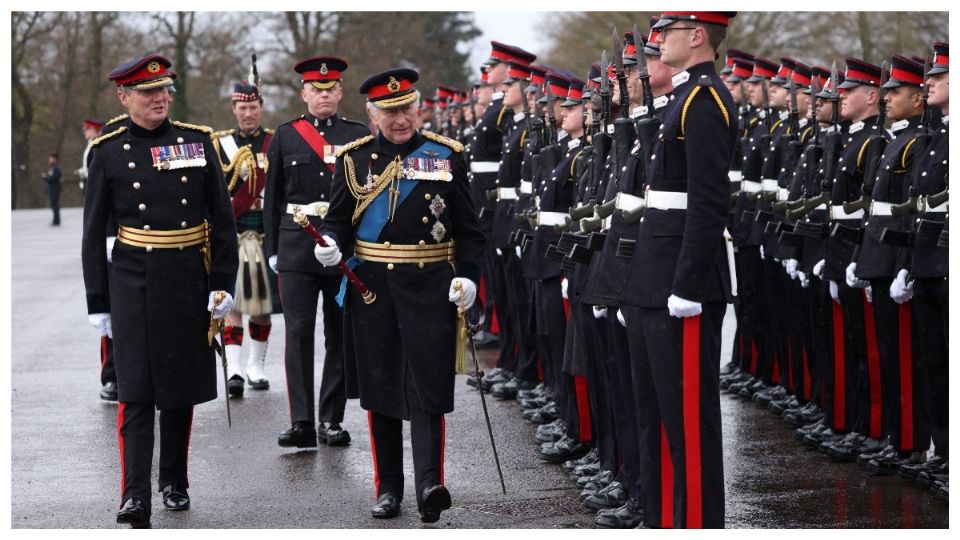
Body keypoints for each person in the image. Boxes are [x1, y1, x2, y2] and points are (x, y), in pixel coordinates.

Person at [314, 68, 485, 523]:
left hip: (431, 286)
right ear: (372, 115)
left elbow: (469, 230)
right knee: (382, 388)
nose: (400, 119)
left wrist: (469, 277)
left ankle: (430, 482)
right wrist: (329, 246)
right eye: (389, 112)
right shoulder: (353, 160)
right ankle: (388, 487)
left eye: (406, 108)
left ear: (418, 107)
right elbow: (337, 221)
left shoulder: (447, 156)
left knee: (428, 388)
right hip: (374, 290)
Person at [81, 53, 238, 528]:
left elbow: (223, 222)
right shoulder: (108, 151)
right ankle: (133, 494)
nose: (159, 99)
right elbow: (92, 234)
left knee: (178, 386)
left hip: (188, 275)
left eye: (164, 90)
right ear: (124, 97)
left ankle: (174, 480)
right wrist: (98, 303)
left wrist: (223, 284)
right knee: (135, 390)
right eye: (148, 93)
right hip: (132, 278)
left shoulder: (195, 142)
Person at [619, 11, 738, 528]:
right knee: (656, 419)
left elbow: (709, 202)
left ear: (697, 36)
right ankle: (664, 519)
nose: (657, 40)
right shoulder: (682, 99)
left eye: (666, 31)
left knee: (687, 423)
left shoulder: (705, 100)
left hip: (680, 286)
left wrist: (687, 284)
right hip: (655, 279)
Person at [263, 56, 370, 448]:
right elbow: (272, 198)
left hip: (341, 248)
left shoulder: (359, 135)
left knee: (339, 334)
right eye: (316, 90)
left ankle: (331, 419)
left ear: (340, 92)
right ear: (304, 93)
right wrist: (272, 249)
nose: (323, 95)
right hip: (295, 247)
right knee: (298, 333)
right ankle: (302, 421)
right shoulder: (286, 135)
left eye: (330, 89)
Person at [212, 80, 276, 397]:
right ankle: (234, 368)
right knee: (233, 301)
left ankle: (256, 366)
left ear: (260, 108)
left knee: (262, 304)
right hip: (233, 233)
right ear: (234, 109)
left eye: (253, 107)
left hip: (265, 233)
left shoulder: (275, 143)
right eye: (243, 108)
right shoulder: (219, 144)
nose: (248, 113)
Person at [78, 118, 105, 194]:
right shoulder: (91, 143)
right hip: (89, 180)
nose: (84, 131)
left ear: (94, 129)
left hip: (96, 182)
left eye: (87, 129)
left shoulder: (98, 144)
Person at [42, 152, 62, 226]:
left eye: (51, 159)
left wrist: (45, 177)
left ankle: (56, 221)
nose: (49, 160)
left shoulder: (56, 168)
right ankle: (55, 220)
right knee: (53, 205)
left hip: (55, 188)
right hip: (52, 188)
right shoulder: (52, 168)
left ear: (55, 159)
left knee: (55, 205)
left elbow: (54, 178)